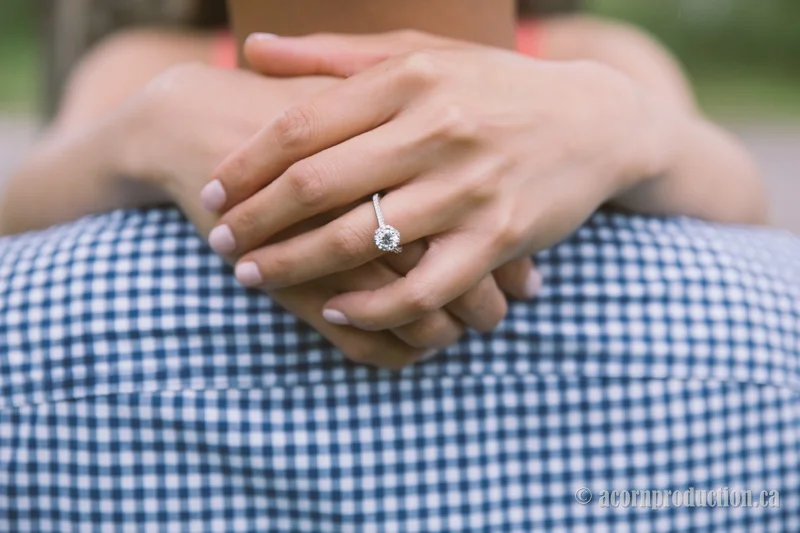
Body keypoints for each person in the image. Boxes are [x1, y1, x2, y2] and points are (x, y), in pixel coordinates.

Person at [0, 0, 797, 530]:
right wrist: (149, 127)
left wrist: (619, 118)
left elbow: (737, 200)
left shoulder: (596, 52)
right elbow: (23, 213)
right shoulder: (144, 61)